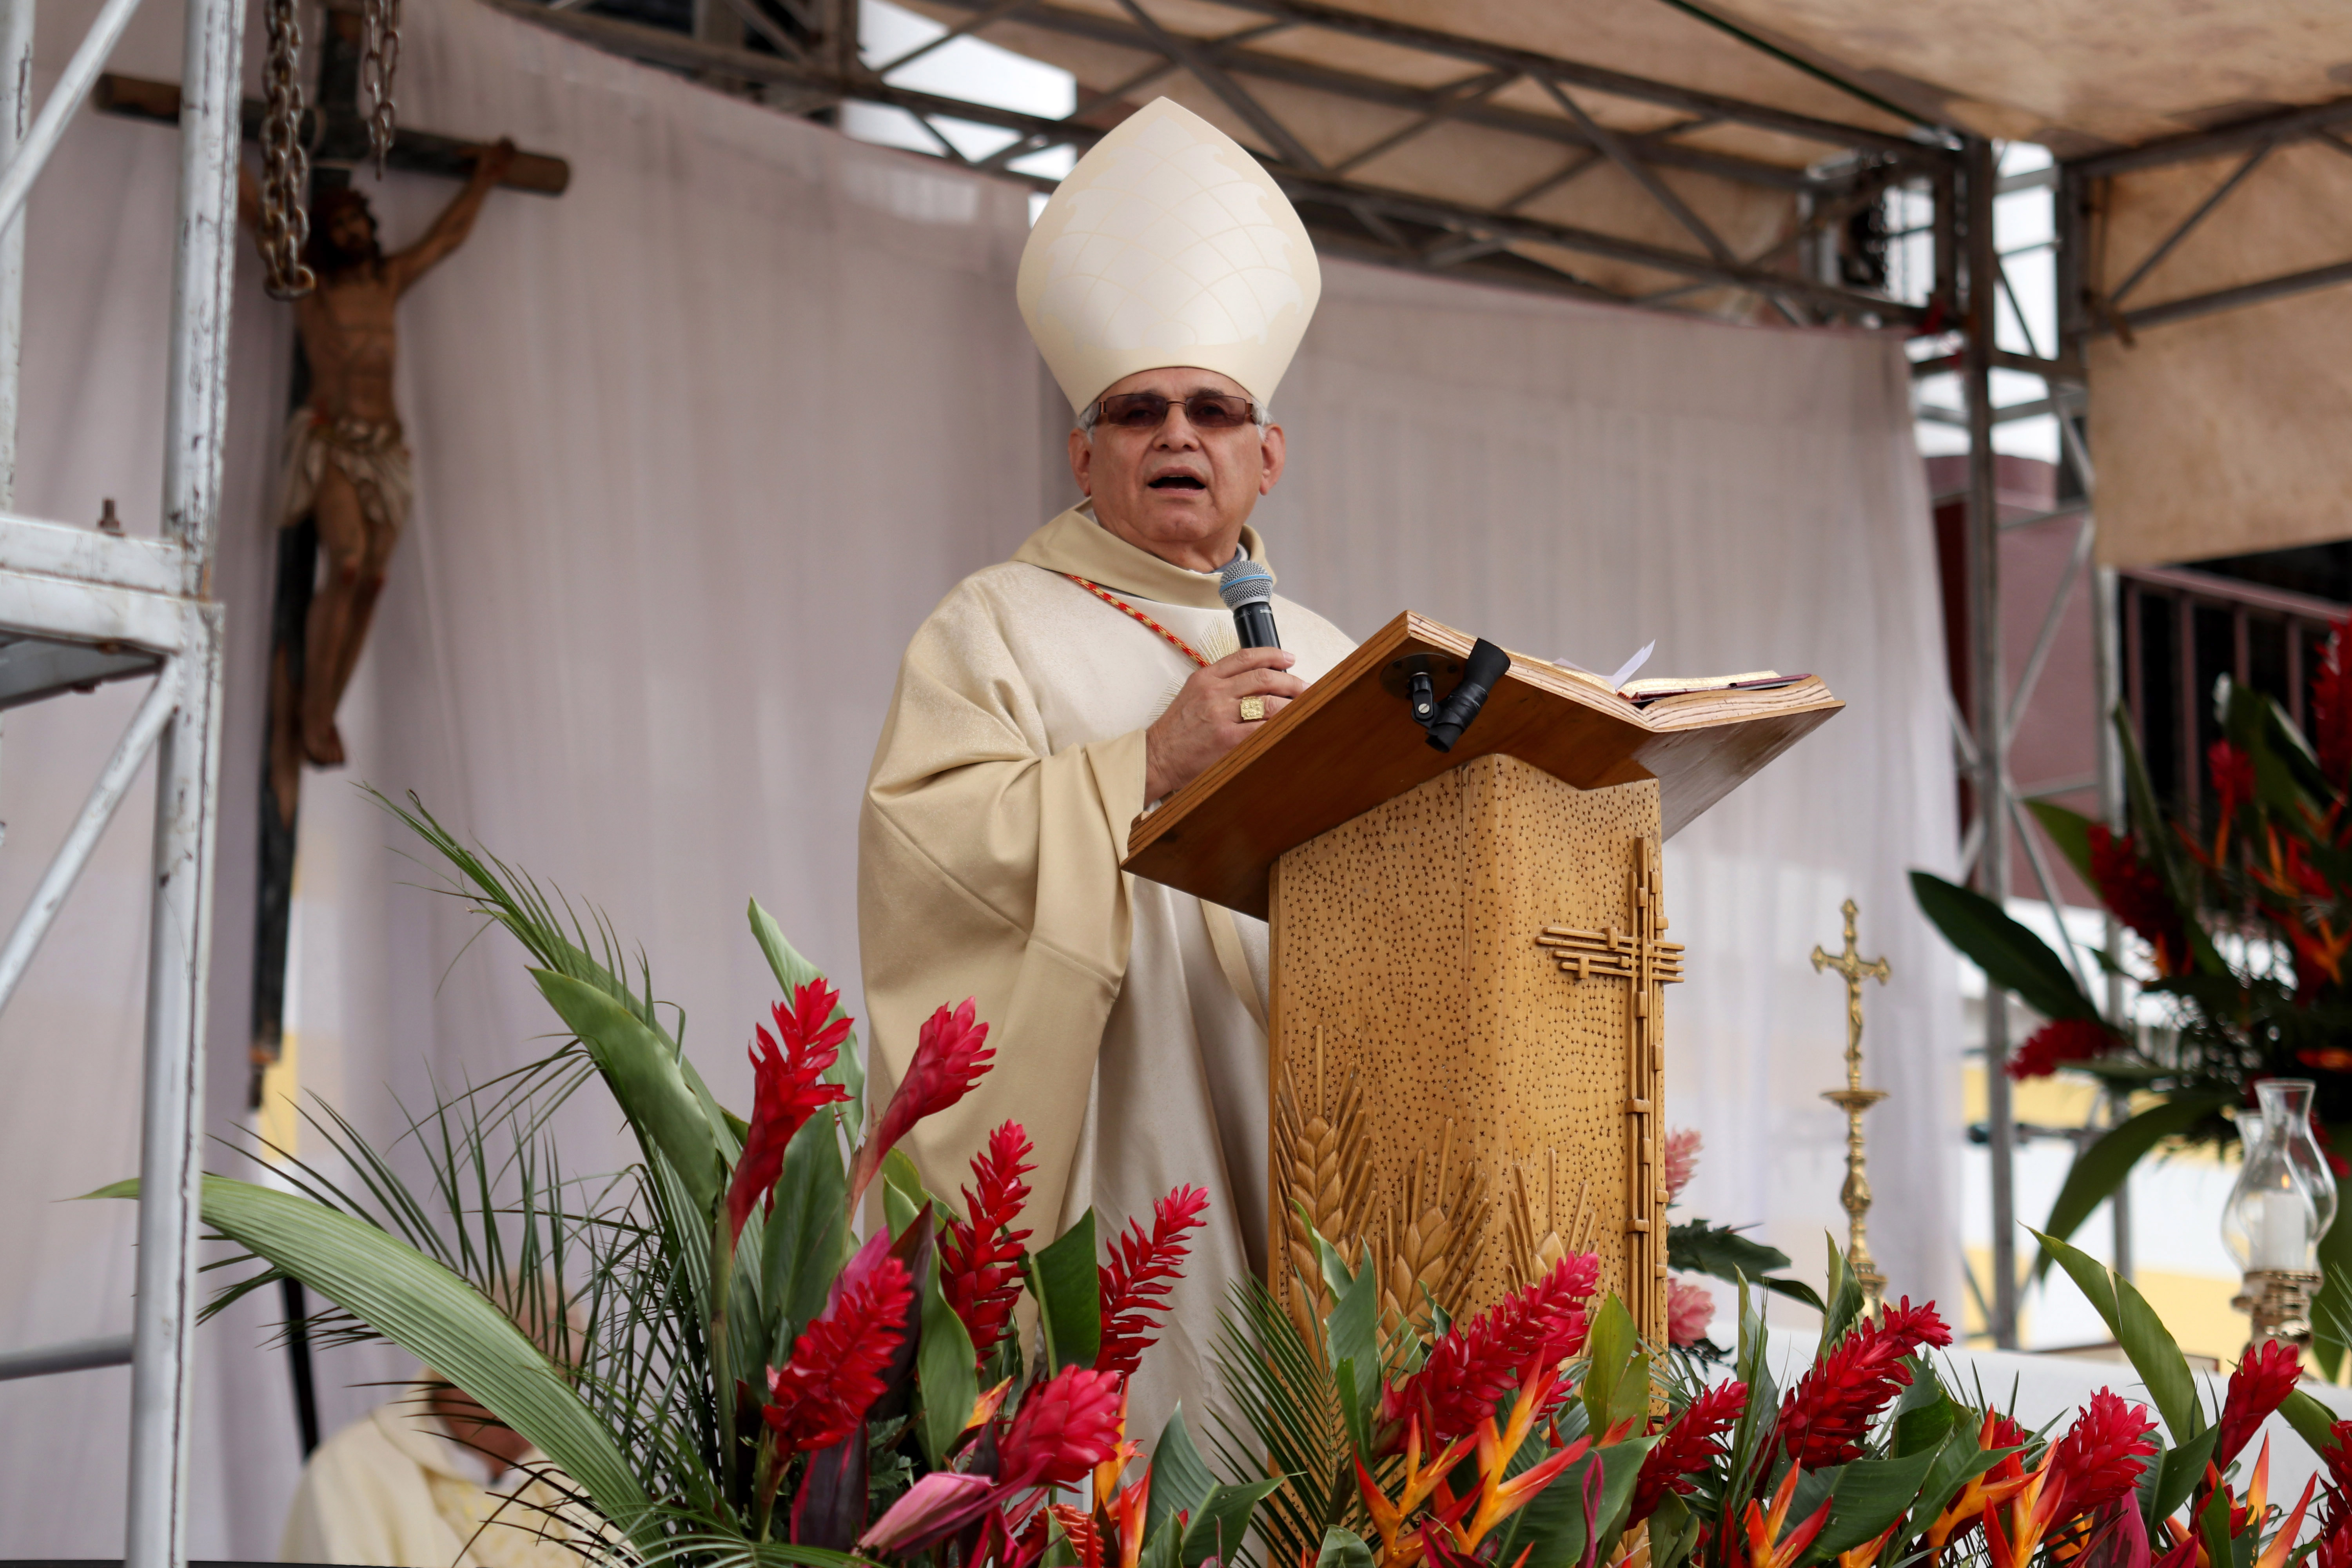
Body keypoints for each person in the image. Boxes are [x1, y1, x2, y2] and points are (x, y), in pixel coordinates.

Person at [858, 98, 1355, 1436]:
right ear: (1084, 454)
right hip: (1121, 1122)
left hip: (1292, 1132)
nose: (1175, 435)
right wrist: (1140, 763)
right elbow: (927, 857)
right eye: (1137, 412)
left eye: (1213, 409)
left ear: (1269, 456)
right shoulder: (994, 623)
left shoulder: (1325, 653)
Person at [238, 142, 515, 781]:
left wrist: (485, 180)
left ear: (368, 222)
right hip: (334, 440)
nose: (348, 231)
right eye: (335, 226)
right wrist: (217, 128)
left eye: (354, 220)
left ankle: (324, 712)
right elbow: (258, 214)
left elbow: (447, 238)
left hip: (387, 448)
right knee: (349, 562)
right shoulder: (309, 285)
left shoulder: (390, 280)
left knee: (374, 583)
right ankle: (311, 710)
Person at [279, 1283, 594, 1567]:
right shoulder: (353, 1472)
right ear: (464, 1366)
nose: (554, 1413)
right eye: (528, 1385)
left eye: (566, 1386)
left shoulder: (573, 1477)